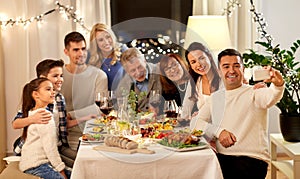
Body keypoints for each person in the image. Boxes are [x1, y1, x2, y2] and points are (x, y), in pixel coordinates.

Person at [191, 48, 284, 179]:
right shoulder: (215, 98)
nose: (231, 70)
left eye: (236, 66)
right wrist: (218, 131)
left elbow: (272, 95)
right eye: (226, 66)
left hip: (252, 161)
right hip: (223, 158)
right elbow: (195, 123)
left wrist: (278, 84)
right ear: (219, 71)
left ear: (243, 69)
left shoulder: (255, 92)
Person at [12, 59, 90, 168]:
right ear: (43, 78)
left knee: (84, 160)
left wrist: (87, 117)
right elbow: (15, 124)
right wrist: (33, 118)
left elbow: (63, 125)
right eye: (55, 76)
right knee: (78, 167)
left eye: (61, 75)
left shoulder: (59, 98)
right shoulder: (36, 99)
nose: (60, 80)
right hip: (41, 149)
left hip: (58, 145)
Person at [60, 31, 108, 150]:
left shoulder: (99, 75)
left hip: (92, 132)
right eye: (76, 50)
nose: (81, 53)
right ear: (66, 52)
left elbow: (101, 107)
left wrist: (71, 115)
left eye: (83, 49)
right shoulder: (58, 75)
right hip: (64, 134)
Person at [19, 78, 70, 179]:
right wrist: (61, 171)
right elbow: (50, 148)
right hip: (36, 165)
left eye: (53, 90)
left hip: (37, 162)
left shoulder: (34, 112)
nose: (53, 92)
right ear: (36, 94)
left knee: (77, 174)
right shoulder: (44, 116)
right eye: (48, 89)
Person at [182, 42, 222, 120]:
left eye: (201, 58)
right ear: (191, 66)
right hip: (203, 128)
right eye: (193, 62)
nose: (199, 64)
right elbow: (185, 112)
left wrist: (200, 114)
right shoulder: (195, 82)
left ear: (209, 57)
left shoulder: (223, 79)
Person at [116, 47, 161, 112]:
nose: (138, 72)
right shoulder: (123, 84)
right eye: (133, 70)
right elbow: (120, 109)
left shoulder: (160, 71)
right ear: (127, 71)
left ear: (144, 61)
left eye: (140, 67)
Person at [88, 23, 126, 91]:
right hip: (101, 99)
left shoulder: (123, 50)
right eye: (101, 40)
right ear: (95, 43)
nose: (106, 42)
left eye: (108, 37)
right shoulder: (91, 58)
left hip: (123, 98)